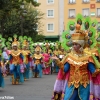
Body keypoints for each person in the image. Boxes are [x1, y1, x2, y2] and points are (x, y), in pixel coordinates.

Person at [51, 24, 100, 100]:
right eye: (73, 44)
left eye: (76, 44)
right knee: (68, 98)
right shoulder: (69, 56)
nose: (74, 46)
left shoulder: (88, 57)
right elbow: (65, 69)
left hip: (84, 84)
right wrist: (58, 61)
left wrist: (97, 71)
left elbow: (93, 71)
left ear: (81, 45)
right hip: (71, 83)